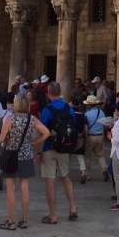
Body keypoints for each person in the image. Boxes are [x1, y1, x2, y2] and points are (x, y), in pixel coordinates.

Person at [0, 94, 49, 230]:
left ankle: (11, 221)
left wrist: (9, 139)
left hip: (11, 155)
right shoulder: (32, 119)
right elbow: (46, 133)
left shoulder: (10, 119)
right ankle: (24, 219)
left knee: (10, 188)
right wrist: (34, 142)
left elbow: (1, 139)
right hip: (26, 155)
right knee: (24, 187)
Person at [38, 81, 79, 224]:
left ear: (48, 94)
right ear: (60, 92)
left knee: (50, 180)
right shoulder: (69, 108)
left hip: (49, 147)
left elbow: (43, 131)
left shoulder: (47, 110)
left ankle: (53, 215)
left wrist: (39, 151)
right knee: (65, 177)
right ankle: (73, 208)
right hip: (65, 147)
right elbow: (74, 125)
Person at [82, 95, 108, 183]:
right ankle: (104, 170)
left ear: (89, 105)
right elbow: (104, 125)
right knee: (100, 155)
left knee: (88, 157)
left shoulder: (86, 114)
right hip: (100, 136)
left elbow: (85, 128)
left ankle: (88, 175)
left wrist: (85, 139)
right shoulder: (101, 113)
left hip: (90, 136)